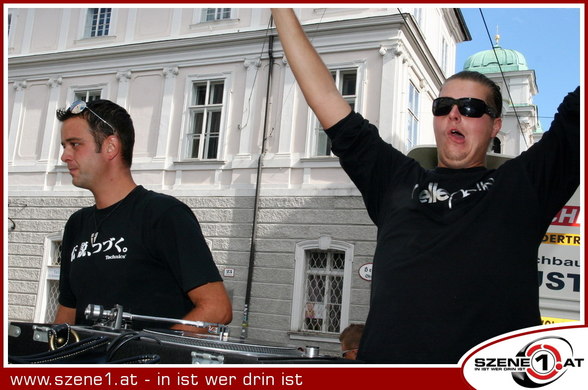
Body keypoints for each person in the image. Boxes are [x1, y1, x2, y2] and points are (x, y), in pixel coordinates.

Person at [271, 8, 580, 364]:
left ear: (495, 126)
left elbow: (576, 113)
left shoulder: (526, 182)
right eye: (443, 105)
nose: (454, 113)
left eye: (470, 107)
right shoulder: (394, 178)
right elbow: (325, 96)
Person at [53, 99, 233, 333]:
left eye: (75, 144)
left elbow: (217, 309)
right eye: (63, 146)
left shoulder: (163, 214)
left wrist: (149, 355)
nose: (64, 156)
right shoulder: (76, 224)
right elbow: (67, 311)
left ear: (111, 146)